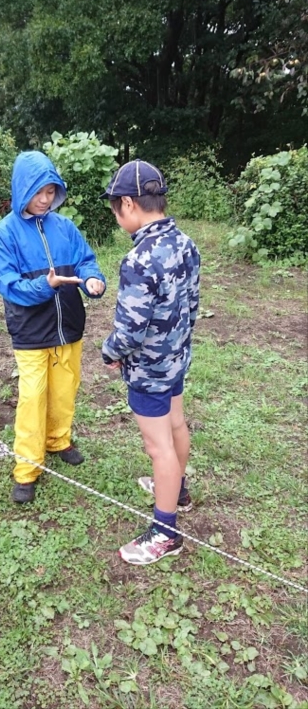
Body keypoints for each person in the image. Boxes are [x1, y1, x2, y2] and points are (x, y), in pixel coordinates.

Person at [0, 150, 106, 503]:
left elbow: (86, 261)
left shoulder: (65, 227)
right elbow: (5, 283)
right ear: (23, 189)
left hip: (69, 327)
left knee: (64, 389)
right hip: (30, 333)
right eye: (39, 192)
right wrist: (45, 285)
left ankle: (59, 440)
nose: (45, 199)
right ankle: (26, 469)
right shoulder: (4, 233)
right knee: (33, 397)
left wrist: (93, 281)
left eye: (51, 192)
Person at [100, 159, 200, 565]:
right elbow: (192, 306)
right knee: (176, 424)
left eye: (115, 208)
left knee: (157, 446)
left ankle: (165, 531)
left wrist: (110, 353)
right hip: (176, 359)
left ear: (128, 204)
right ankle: (178, 490)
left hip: (149, 370)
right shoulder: (185, 243)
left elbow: (130, 329)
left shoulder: (139, 260)